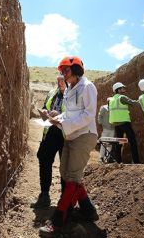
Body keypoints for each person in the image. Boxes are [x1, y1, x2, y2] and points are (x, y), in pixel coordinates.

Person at [39, 56, 99, 237]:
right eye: (62, 71)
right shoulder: (69, 90)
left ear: (76, 70)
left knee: (71, 177)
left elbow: (88, 115)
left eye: (66, 70)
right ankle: (88, 211)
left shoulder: (88, 87)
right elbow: (69, 113)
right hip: (71, 135)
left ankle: (58, 220)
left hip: (84, 135)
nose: (63, 74)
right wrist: (55, 119)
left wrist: (64, 124)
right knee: (66, 174)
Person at [31, 76, 66, 208]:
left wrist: (60, 114)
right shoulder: (52, 93)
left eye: (63, 80)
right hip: (50, 131)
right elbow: (46, 106)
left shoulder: (74, 94)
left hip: (66, 133)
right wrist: (45, 111)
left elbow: (77, 113)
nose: (60, 82)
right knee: (44, 158)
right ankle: (44, 195)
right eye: (58, 80)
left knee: (65, 165)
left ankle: (65, 199)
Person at [108, 82, 140, 163]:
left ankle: (118, 161)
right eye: (122, 88)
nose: (124, 89)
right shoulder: (122, 97)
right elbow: (134, 103)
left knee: (119, 143)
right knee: (132, 142)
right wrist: (142, 100)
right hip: (125, 123)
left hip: (116, 124)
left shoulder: (111, 100)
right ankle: (136, 162)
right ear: (118, 90)